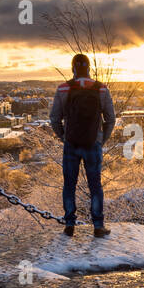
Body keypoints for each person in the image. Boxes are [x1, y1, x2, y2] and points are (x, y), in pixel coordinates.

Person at [50, 53, 116, 237]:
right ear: (89, 69)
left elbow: (55, 118)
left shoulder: (63, 89)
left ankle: (69, 224)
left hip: (71, 143)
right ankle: (98, 226)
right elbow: (111, 119)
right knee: (95, 186)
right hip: (93, 143)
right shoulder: (101, 89)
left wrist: (64, 136)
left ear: (73, 68)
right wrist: (101, 140)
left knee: (69, 184)